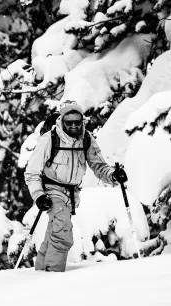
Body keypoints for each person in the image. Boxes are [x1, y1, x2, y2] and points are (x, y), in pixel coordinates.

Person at [25, 100, 127, 272]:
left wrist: (113, 175)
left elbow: (99, 166)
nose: (73, 126)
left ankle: (42, 271)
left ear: (82, 122)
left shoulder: (86, 139)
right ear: (61, 121)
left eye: (77, 122)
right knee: (62, 230)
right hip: (51, 189)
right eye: (69, 122)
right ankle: (53, 273)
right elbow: (32, 172)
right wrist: (39, 195)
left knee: (54, 231)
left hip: (72, 193)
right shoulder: (49, 139)